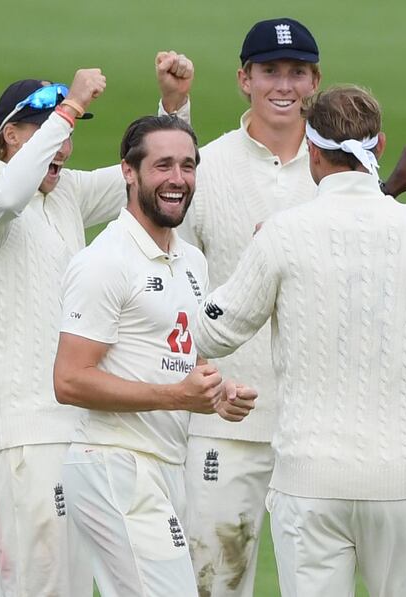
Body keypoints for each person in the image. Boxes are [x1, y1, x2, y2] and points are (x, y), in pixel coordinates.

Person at [194, 84, 406, 596]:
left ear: (312, 151)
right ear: (379, 147)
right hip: (404, 480)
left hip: (311, 483)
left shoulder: (283, 232)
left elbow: (212, 332)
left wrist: (252, 257)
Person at [0, 57, 192, 597]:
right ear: (9, 136)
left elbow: (149, 178)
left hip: (78, 433)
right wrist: (74, 105)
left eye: (66, 133)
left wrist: (172, 109)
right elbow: (10, 194)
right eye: (44, 130)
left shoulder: (63, 195)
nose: (62, 143)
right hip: (16, 434)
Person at [53, 115, 258, 596]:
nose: (178, 179)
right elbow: (69, 380)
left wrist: (216, 390)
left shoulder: (191, 261)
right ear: (129, 171)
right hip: (112, 463)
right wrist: (176, 396)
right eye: (162, 165)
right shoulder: (105, 262)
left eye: (188, 166)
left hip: (163, 464)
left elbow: (179, 356)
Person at [162, 17, 322, 597]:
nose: (284, 85)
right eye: (270, 71)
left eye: (297, 72)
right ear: (243, 79)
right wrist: (202, 381)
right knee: (213, 585)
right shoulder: (209, 166)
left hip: (315, 424)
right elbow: (178, 284)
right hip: (223, 420)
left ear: (316, 81)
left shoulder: (340, 171)